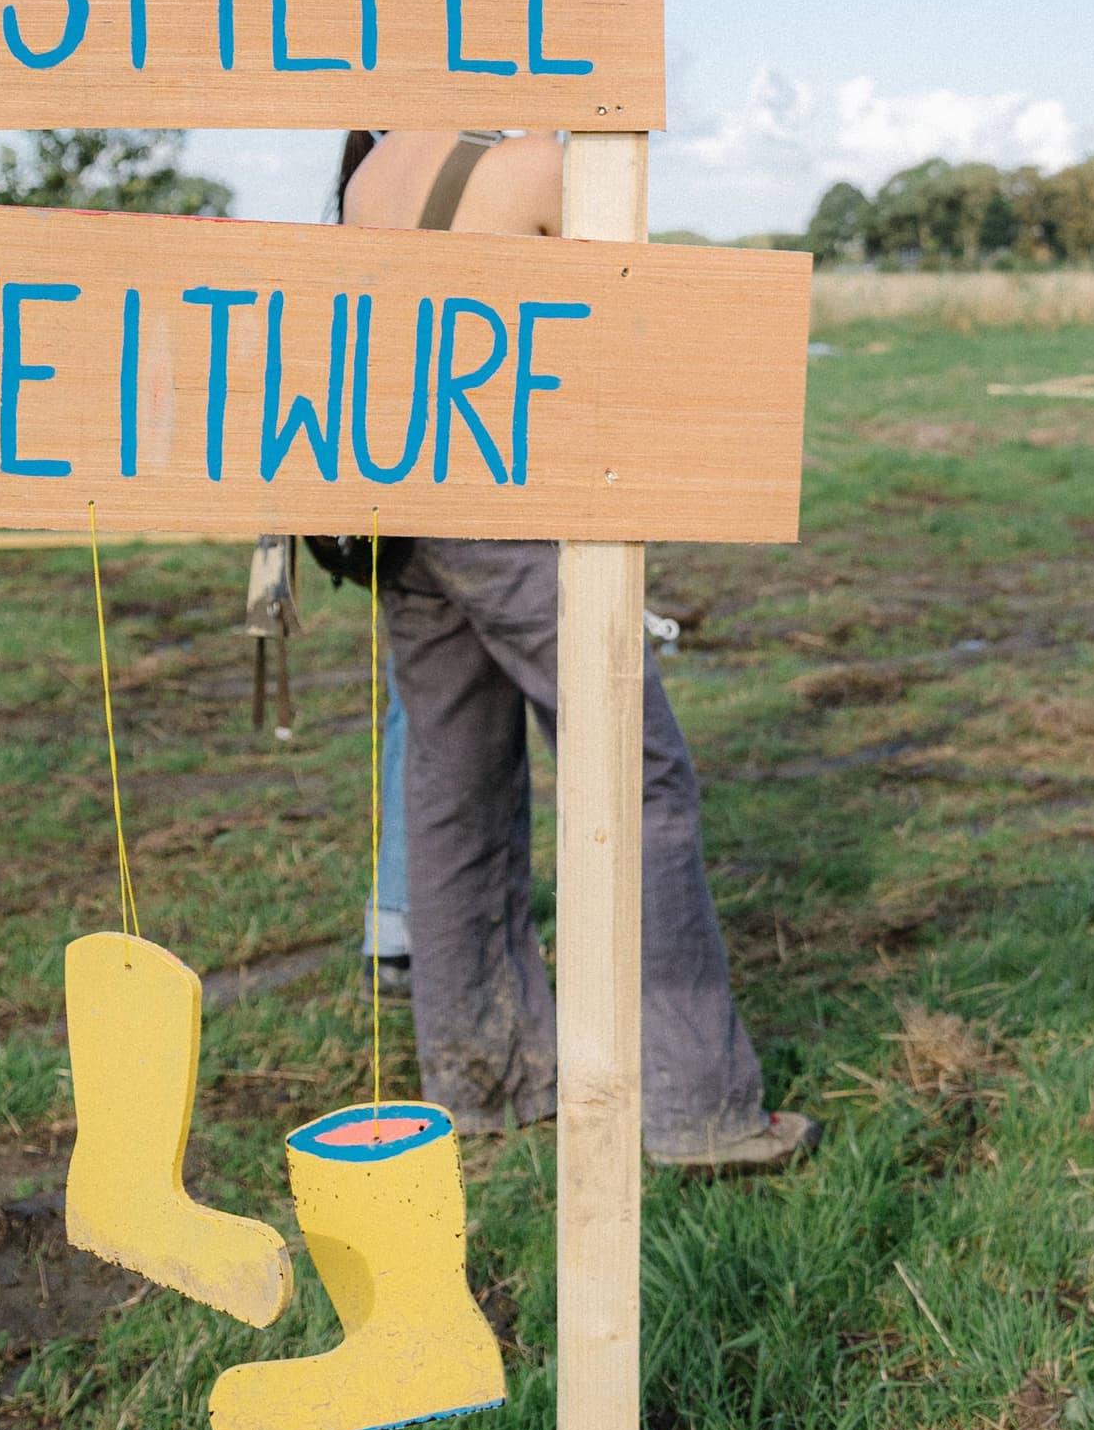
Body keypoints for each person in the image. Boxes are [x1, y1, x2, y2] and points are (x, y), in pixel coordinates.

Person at [327, 128, 816, 1174]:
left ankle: (486, 1081)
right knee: (643, 785)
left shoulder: (377, 165)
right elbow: (624, 329)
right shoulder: (537, 168)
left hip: (396, 511)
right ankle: (700, 1108)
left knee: (452, 788)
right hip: (509, 509)